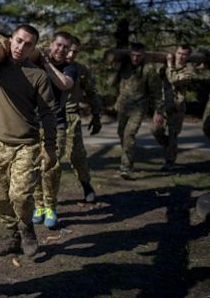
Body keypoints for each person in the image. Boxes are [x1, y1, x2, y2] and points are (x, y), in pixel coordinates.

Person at [0, 24, 56, 256]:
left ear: (34, 48)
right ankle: (11, 236)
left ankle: (27, 229)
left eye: (28, 44)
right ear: (11, 39)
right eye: (18, 40)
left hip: (26, 145)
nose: (21, 47)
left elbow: (48, 114)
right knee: (0, 196)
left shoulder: (38, 75)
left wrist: (50, 147)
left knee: (20, 196)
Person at [33, 31, 78, 228]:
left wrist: (47, 64)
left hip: (56, 123)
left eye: (65, 47)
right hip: (32, 123)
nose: (61, 49)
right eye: (58, 45)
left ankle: (51, 206)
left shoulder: (70, 68)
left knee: (51, 167)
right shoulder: (35, 58)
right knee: (34, 166)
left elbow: (64, 84)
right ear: (51, 44)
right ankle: (39, 205)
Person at [111, 42, 163, 179]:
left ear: (143, 54)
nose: (135, 58)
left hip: (139, 107)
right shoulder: (124, 66)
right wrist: (115, 69)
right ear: (130, 54)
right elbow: (110, 83)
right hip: (123, 105)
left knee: (129, 134)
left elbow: (156, 92)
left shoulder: (148, 69)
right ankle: (128, 157)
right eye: (133, 55)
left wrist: (158, 111)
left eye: (138, 55)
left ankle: (126, 168)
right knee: (121, 133)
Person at [61, 36, 102, 203]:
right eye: (68, 49)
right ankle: (44, 199)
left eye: (75, 52)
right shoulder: (46, 66)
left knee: (77, 156)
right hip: (47, 117)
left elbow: (92, 93)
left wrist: (97, 115)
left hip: (71, 117)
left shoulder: (81, 70)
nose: (70, 54)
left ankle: (86, 184)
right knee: (45, 160)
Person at [151, 45, 196, 171]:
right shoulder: (165, 66)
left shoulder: (189, 70)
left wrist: (170, 64)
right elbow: (157, 80)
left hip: (177, 107)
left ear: (188, 56)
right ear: (175, 53)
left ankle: (169, 162)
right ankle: (170, 148)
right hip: (163, 106)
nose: (180, 56)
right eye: (179, 53)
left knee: (173, 135)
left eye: (184, 54)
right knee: (155, 130)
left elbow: (174, 80)